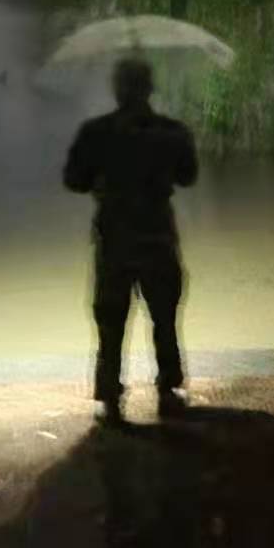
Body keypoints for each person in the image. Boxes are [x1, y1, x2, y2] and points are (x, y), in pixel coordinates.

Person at [64, 58, 198, 424]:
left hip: (115, 239)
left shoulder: (95, 132)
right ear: (150, 88)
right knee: (164, 318)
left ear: (116, 89)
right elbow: (188, 176)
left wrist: (104, 176)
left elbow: (74, 180)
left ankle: (109, 395)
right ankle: (168, 388)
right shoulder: (172, 132)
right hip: (157, 236)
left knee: (110, 321)